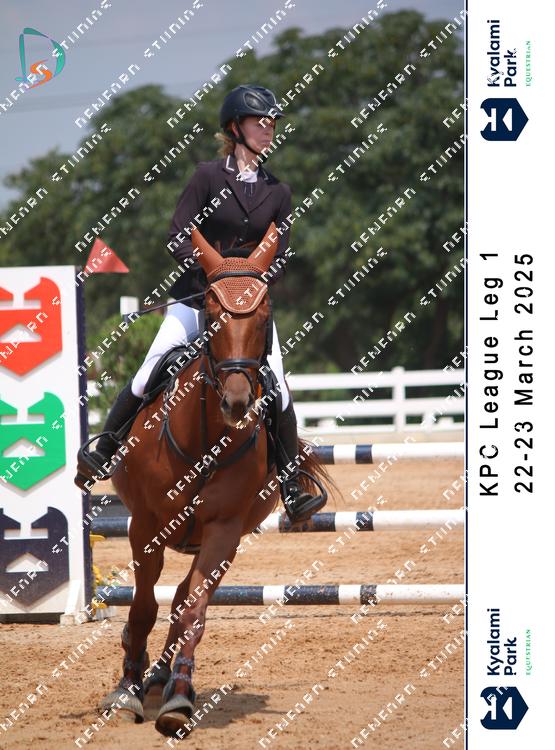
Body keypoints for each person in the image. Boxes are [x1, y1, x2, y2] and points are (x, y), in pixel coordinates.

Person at [74, 84, 326, 524]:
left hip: (247, 312)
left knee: (279, 390)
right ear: (236, 128)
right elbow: (177, 234)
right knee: (148, 372)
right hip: (196, 300)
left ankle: (290, 484)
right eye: (260, 123)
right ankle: (106, 447)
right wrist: (215, 275)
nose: (269, 130)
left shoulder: (279, 192)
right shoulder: (207, 177)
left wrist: (248, 285)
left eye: (272, 124)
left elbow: (282, 255)